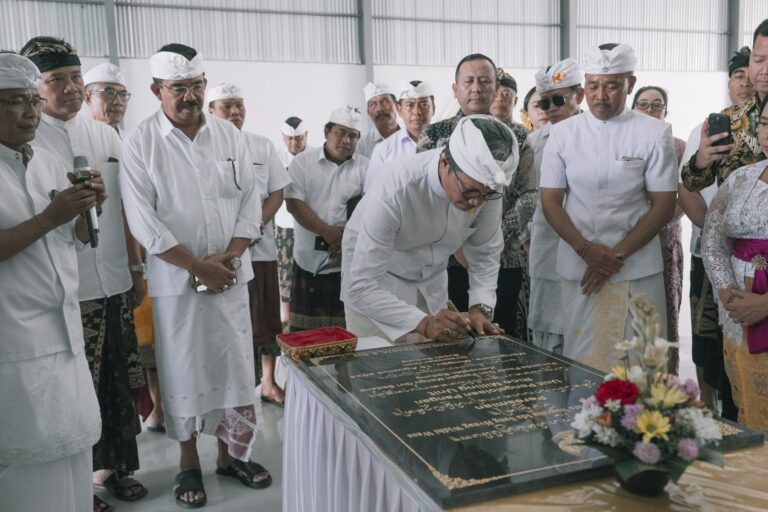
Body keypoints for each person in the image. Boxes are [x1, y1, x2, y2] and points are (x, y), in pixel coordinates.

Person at [120, 43, 271, 508]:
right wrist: (196, 265)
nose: (190, 96)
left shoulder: (229, 136)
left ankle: (232, 456)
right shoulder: (140, 143)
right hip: (176, 283)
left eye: (196, 86)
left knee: (234, 367)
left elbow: (250, 202)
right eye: (178, 88)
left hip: (229, 276)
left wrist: (230, 257)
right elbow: (143, 220)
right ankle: (188, 464)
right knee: (183, 370)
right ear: (156, 91)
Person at [20, 36, 147, 510]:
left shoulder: (106, 135)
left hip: (114, 279)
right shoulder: (27, 142)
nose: (71, 88)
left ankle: (117, 469)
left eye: (76, 77)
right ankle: (81, 484)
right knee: (78, 388)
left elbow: (127, 211)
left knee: (119, 379)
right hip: (66, 291)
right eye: (57, 80)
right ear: (35, 88)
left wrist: (136, 267)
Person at [0, 51, 103, 512]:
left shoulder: (45, 160)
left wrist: (85, 210)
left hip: (65, 337)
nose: (30, 112)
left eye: (33, 101)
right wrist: (49, 217)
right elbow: (45, 225)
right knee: (28, 476)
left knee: (73, 461)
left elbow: (70, 240)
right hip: (15, 344)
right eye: (15, 101)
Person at [540, 43, 678, 372]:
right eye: (593, 86)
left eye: (612, 86)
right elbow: (550, 201)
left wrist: (612, 257)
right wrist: (586, 250)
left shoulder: (655, 132)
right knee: (584, 363)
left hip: (636, 267)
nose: (600, 96)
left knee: (641, 365)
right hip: (581, 268)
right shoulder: (562, 134)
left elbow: (663, 205)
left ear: (630, 84)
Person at [341, 115, 518, 342]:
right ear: (444, 163)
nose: (477, 202)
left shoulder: (486, 187)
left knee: (431, 358)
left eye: (487, 195)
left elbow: (486, 252)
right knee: (377, 359)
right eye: (469, 191)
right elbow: (363, 286)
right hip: (377, 283)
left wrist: (480, 308)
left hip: (431, 280)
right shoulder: (395, 188)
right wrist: (424, 323)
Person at [418, 53, 535, 339]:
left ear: (496, 89)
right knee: (447, 337)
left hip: (504, 256)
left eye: (484, 81)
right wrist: (457, 244)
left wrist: (496, 237)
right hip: (445, 259)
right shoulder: (435, 134)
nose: (476, 88)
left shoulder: (518, 137)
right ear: (455, 89)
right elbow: (426, 194)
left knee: (498, 335)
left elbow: (529, 195)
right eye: (468, 81)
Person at [83, 60, 166, 434]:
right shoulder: (81, 140)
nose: (116, 101)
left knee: (145, 344)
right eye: (108, 93)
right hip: (96, 268)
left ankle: (157, 408)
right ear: (88, 97)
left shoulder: (133, 140)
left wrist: (138, 264)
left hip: (138, 259)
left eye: (121, 94)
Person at [678, 48, 753, 418]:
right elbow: (687, 186)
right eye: (739, 75)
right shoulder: (708, 128)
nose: (746, 81)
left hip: (755, 259)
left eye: (752, 73)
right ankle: (709, 411)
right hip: (712, 253)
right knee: (708, 340)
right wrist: (715, 239)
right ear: (729, 82)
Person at [207, 82, 290, 406]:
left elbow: (277, 192)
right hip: (222, 250)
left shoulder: (261, 145)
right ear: (211, 111)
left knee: (264, 317)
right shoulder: (202, 147)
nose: (234, 112)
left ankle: (268, 382)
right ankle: (230, 386)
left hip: (261, 248)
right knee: (228, 319)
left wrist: (255, 225)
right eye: (226, 106)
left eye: (238, 105)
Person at [701, 93, 768, 430]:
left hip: (759, 306)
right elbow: (713, 240)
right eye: (765, 123)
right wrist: (728, 294)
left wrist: (765, 305)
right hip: (738, 314)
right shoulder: (741, 178)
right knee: (748, 409)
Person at [284, 106, 367, 331]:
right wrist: (325, 230)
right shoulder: (302, 163)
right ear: (326, 132)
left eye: (353, 135)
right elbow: (293, 203)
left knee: (348, 333)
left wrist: (346, 237)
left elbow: (371, 208)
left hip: (349, 263)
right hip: (309, 261)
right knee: (306, 336)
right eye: (341, 133)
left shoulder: (365, 167)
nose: (346, 140)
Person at [527, 58, 584, 353]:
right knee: (547, 341)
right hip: (547, 250)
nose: (550, 109)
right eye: (544, 103)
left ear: (579, 95)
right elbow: (521, 196)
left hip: (590, 252)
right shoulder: (533, 143)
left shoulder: (599, 136)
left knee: (586, 335)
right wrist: (524, 235)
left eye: (558, 100)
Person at [631, 85, 686, 370]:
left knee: (664, 316)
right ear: (633, 109)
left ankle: (666, 382)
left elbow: (683, 200)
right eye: (643, 104)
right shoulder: (622, 143)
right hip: (625, 245)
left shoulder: (679, 147)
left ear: (666, 111)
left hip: (664, 244)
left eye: (656, 105)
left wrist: (647, 223)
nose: (649, 110)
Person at [681, 19, 768, 191]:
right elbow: (692, 185)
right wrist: (701, 161)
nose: (765, 71)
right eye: (758, 60)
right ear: (751, 59)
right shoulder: (730, 119)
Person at [365, 80, 434, 191]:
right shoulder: (383, 150)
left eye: (424, 105)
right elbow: (371, 193)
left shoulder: (448, 144)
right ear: (399, 109)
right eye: (410, 105)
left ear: (433, 109)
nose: (417, 112)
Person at [275, 116, 311, 325]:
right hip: (285, 224)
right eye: (289, 139)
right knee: (285, 272)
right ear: (283, 137)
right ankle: (287, 321)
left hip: (309, 223)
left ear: (306, 135)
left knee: (309, 271)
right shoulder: (275, 158)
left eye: (298, 138)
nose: (293, 143)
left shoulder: (316, 156)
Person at [83, 63, 131, 133]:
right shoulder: (80, 138)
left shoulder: (131, 138)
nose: (119, 102)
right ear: (88, 98)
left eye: (123, 94)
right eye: (110, 93)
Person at [356, 82, 399, 158]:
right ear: (368, 112)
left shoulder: (412, 138)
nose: (379, 109)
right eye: (372, 105)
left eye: (384, 102)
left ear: (397, 106)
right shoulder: (361, 145)